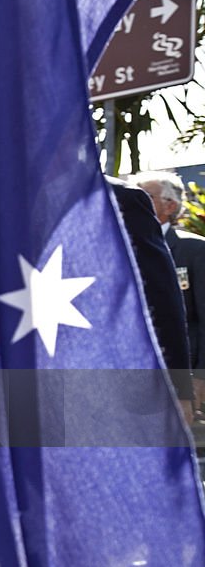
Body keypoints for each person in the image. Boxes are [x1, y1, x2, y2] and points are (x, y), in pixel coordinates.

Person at [109, 177, 194, 422]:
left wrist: (183, 384)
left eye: (152, 196)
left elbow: (166, 301)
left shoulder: (194, 249)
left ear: (170, 206)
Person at [136, 171, 205, 416]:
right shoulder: (124, 247)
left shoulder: (194, 249)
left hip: (182, 374)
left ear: (170, 205)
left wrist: (199, 377)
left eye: (144, 196)